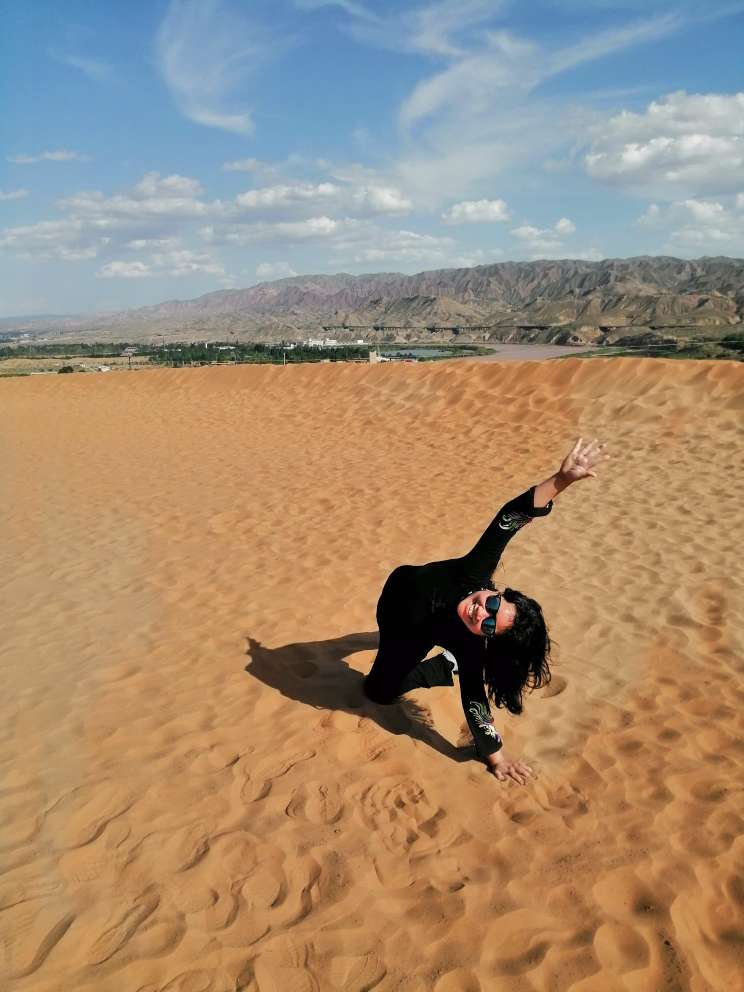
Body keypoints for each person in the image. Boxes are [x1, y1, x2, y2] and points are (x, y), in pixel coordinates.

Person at [363, 438, 607, 786]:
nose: (481, 614)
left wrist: (496, 758)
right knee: (387, 652)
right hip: (395, 592)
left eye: (489, 626)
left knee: (379, 693)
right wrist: (562, 480)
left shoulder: (470, 645)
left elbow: (474, 701)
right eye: (492, 604)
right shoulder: (475, 571)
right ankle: (433, 658)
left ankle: (441, 665)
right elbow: (509, 517)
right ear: (496, 592)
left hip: (409, 634)